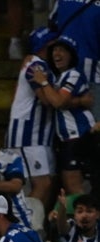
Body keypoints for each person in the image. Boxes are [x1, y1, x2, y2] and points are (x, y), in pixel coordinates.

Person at [28, 36, 96, 197]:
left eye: (62, 50)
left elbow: (58, 102)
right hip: (67, 139)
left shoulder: (73, 74)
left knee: (74, 187)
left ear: (71, 54)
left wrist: (43, 82)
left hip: (78, 136)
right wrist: (79, 100)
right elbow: (54, 101)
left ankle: (86, 220)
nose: (57, 54)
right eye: (54, 50)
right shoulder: (59, 77)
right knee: (71, 186)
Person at [6, 27, 59, 207]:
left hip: (40, 136)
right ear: (45, 46)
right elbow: (48, 100)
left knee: (47, 184)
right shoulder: (36, 66)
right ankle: (28, 228)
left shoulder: (38, 65)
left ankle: (37, 228)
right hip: (28, 135)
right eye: (54, 45)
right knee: (42, 185)